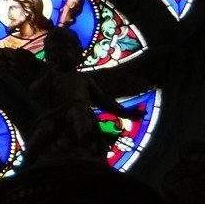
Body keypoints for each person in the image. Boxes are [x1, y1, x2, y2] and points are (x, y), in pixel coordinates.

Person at [26, 28, 144, 164]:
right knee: (43, 132)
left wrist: (126, 113)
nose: (58, 54)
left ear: (77, 54)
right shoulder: (49, 78)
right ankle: (27, 162)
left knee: (78, 113)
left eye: (64, 49)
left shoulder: (83, 78)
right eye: (53, 51)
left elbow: (102, 99)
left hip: (79, 111)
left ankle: (86, 139)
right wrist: (49, 75)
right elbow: (34, 93)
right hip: (52, 115)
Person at [0, 0, 84, 54]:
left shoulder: (52, 39)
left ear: (28, 11)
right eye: (8, 8)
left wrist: (64, 19)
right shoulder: (1, 45)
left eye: (13, 8)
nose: (8, 13)